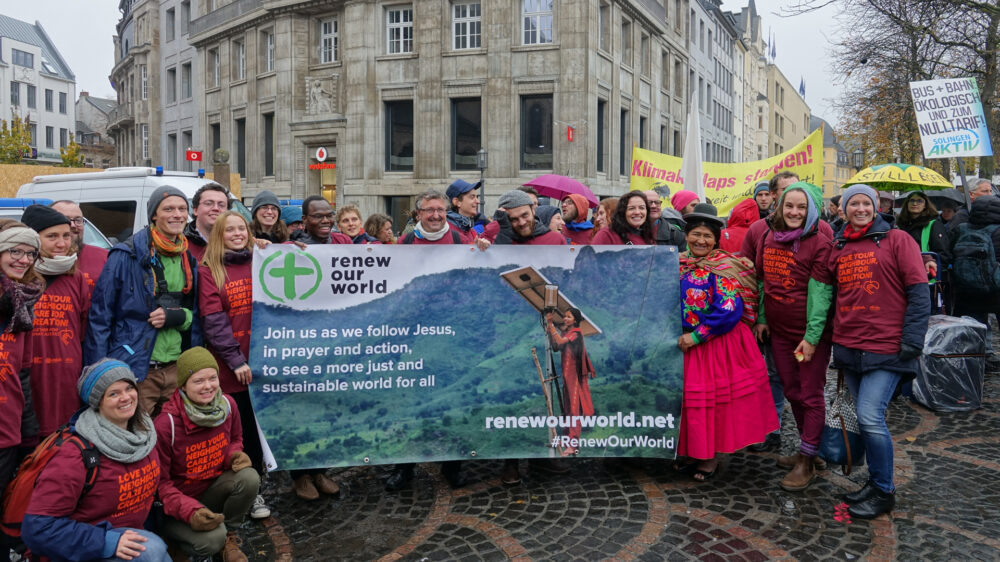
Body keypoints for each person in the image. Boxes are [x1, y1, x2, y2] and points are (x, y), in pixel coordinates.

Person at [823, 184, 929, 519]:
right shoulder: (838, 245)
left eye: (866, 203)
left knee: (870, 416)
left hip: (887, 345)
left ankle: (884, 490)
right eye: (853, 203)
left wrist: (913, 340)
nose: (860, 209)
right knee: (869, 420)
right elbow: (827, 293)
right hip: (850, 345)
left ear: (875, 206)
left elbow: (918, 291)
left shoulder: (898, 240)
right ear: (843, 209)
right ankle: (875, 480)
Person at [22, 359, 169, 562]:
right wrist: (106, 541)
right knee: (151, 551)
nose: (126, 397)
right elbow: (36, 528)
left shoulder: (145, 437)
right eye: (113, 393)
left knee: (157, 549)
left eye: (129, 388)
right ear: (97, 401)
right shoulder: (74, 456)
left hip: (130, 538)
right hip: (85, 549)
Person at [675, 203, 778, 481]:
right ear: (686, 236)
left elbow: (729, 310)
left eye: (707, 236)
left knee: (711, 406)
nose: (701, 241)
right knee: (688, 404)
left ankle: (709, 459)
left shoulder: (723, 268)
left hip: (714, 344)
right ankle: (692, 451)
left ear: (716, 240)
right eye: (696, 234)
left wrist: (697, 336)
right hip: (684, 343)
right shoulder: (678, 264)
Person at [84, 185, 203, 417]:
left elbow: (195, 312)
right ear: (154, 215)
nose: (177, 215)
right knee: (133, 437)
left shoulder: (187, 257)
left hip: (174, 367)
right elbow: (100, 317)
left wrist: (178, 317)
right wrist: (100, 373)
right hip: (135, 368)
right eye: (168, 209)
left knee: (169, 438)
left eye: (182, 209)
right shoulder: (125, 255)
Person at [752, 183, 834, 491]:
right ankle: (809, 448)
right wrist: (761, 317)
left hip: (806, 339)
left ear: (811, 209)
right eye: (790, 206)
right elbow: (762, 281)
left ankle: (807, 459)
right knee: (791, 391)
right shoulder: (768, 237)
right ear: (779, 206)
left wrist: (811, 338)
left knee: (810, 393)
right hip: (781, 336)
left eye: (801, 207)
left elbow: (821, 296)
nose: (795, 212)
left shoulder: (820, 244)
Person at [198, 210, 270, 520]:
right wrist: (235, 360)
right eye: (230, 230)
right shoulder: (208, 270)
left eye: (242, 228)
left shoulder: (262, 260)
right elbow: (214, 323)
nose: (238, 234)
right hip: (233, 368)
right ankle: (251, 492)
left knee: (261, 426)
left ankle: (263, 480)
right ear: (218, 235)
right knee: (241, 432)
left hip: (266, 361)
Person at [155, 347, 258, 562]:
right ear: (183, 384)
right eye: (198, 381)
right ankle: (175, 544)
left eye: (213, 378)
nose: (208, 386)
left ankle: (229, 533)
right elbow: (160, 485)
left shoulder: (228, 405)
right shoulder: (166, 425)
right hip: (177, 504)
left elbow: (235, 439)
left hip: (211, 490)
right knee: (211, 541)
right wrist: (190, 511)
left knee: (249, 477)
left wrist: (234, 455)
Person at [21, 206, 92, 438]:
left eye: (66, 236)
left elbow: (83, 331)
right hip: (28, 379)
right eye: (51, 236)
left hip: (66, 379)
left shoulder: (76, 278)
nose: (61, 243)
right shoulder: (18, 277)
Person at [0, 223, 42, 495]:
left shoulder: (24, 309)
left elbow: (22, 375)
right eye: (15, 250)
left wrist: (29, 431)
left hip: (6, 430)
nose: (24, 260)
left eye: (31, 254)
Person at [951, 195, 1000, 373]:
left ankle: (980, 356)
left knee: (976, 324)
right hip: (995, 289)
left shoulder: (961, 229)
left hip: (967, 289)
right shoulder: (997, 230)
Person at [545, 308, 595, 456]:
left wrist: (550, 324)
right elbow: (556, 347)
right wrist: (550, 331)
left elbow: (560, 341)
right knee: (567, 410)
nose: (565, 319)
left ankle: (573, 444)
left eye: (568, 317)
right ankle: (567, 440)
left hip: (575, 376)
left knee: (574, 410)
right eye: (565, 316)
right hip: (567, 376)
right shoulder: (566, 333)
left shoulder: (576, 333)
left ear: (575, 320)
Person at [896, 192, 951, 307]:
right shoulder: (900, 226)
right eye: (912, 200)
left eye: (919, 201)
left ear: (925, 205)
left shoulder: (934, 225)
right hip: (902, 280)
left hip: (926, 282)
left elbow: (943, 255)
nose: (915, 203)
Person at [50, 200, 109, 294]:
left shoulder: (105, 257)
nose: (73, 225)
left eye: (78, 220)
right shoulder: (34, 259)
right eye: (65, 219)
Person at [491, 190, 568, 246]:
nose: (522, 223)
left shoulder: (555, 240)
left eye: (525, 215)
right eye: (514, 219)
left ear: (533, 210)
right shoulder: (500, 241)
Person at [399, 191, 468, 245]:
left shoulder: (462, 241)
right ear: (419, 213)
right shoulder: (404, 242)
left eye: (440, 210)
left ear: (446, 212)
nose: (436, 216)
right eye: (430, 210)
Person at [185, 184, 231, 262]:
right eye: (208, 203)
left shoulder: (237, 243)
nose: (216, 208)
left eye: (221, 205)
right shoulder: (181, 244)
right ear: (195, 210)